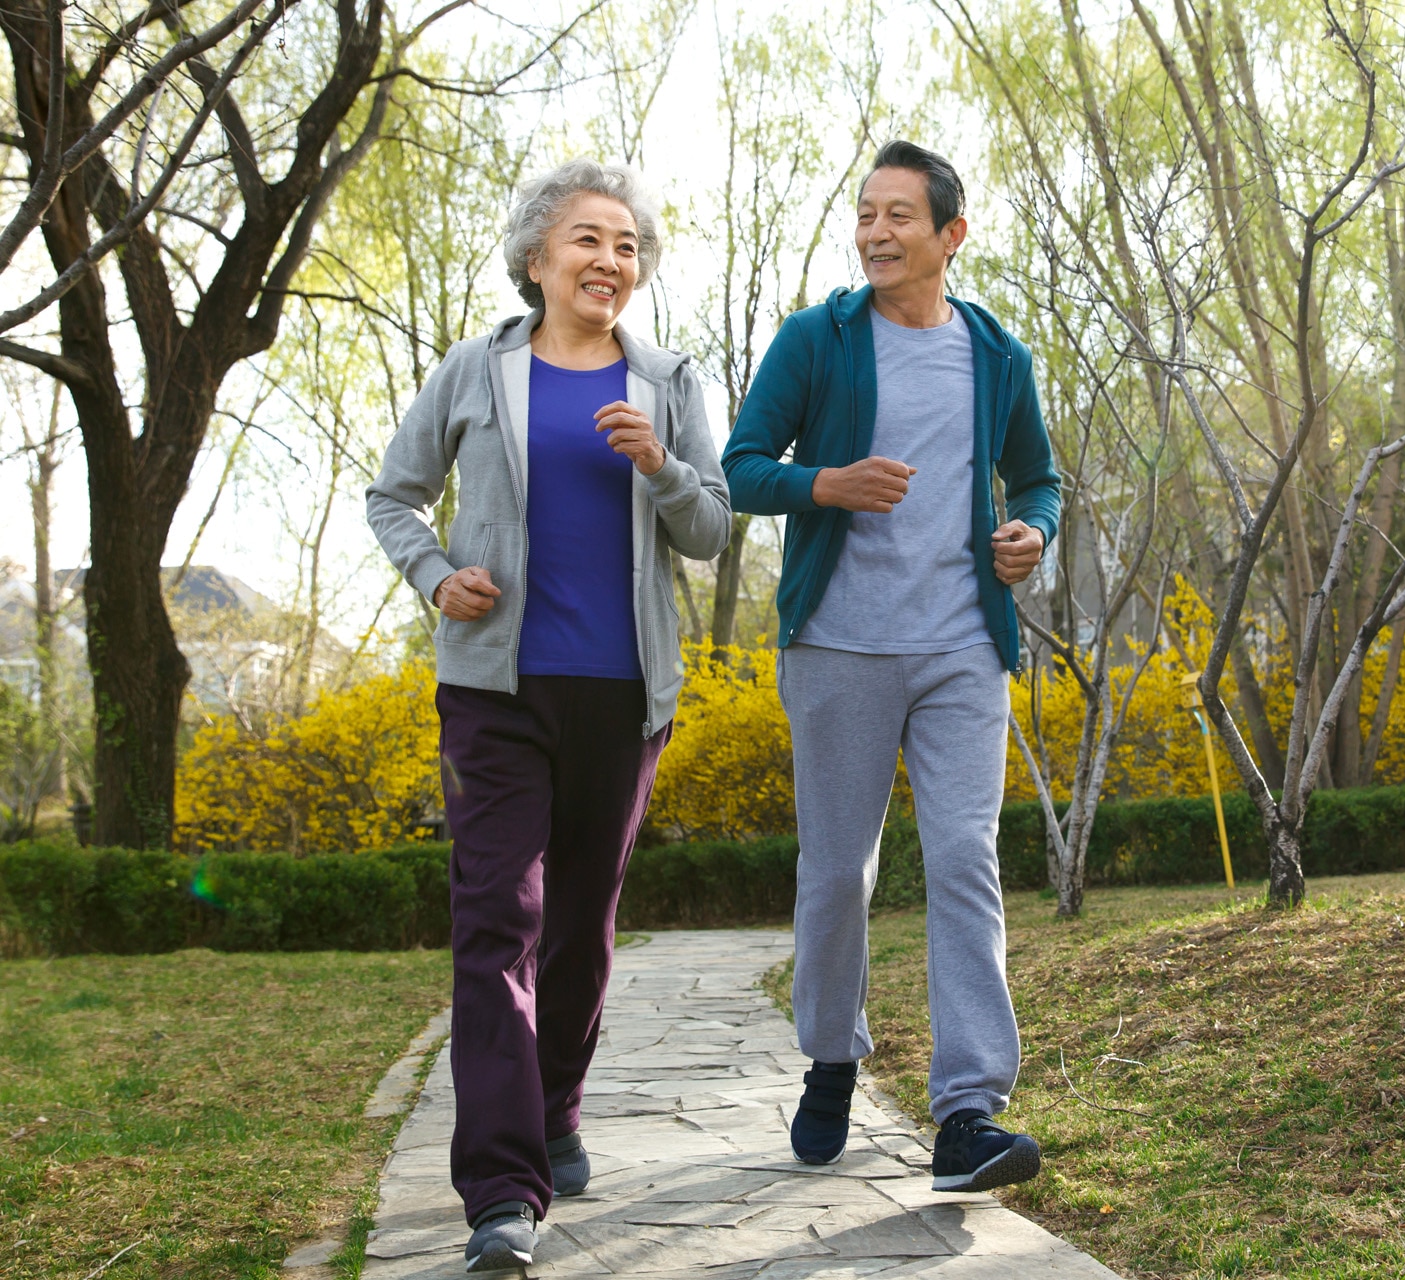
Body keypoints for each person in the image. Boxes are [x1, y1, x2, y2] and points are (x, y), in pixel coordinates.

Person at [366, 159, 731, 1272]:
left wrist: (661, 465)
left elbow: (712, 527)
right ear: (536, 256)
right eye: (588, 239)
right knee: (495, 927)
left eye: (627, 245)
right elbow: (394, 493)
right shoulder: (476, 371)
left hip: (624, 697)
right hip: (493, 690)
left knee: (579, 925)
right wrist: (435, 575)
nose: (609, 260)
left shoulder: (668, 380)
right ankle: (500, 1190)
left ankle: (557, 1103)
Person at [723, 139, 1061, 1193]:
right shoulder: (816, 340)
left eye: (898, 216)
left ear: (951, 235)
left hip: (965, 643)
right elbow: (741, 467)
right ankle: (832, 1053)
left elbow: (1039, 480)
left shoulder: (997, 355)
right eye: (866, 213)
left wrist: (1032, 535)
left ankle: (968, 1111)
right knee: (838, 871)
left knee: (965, 856)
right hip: (840, 644)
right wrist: (828, 485)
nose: (875, 230)